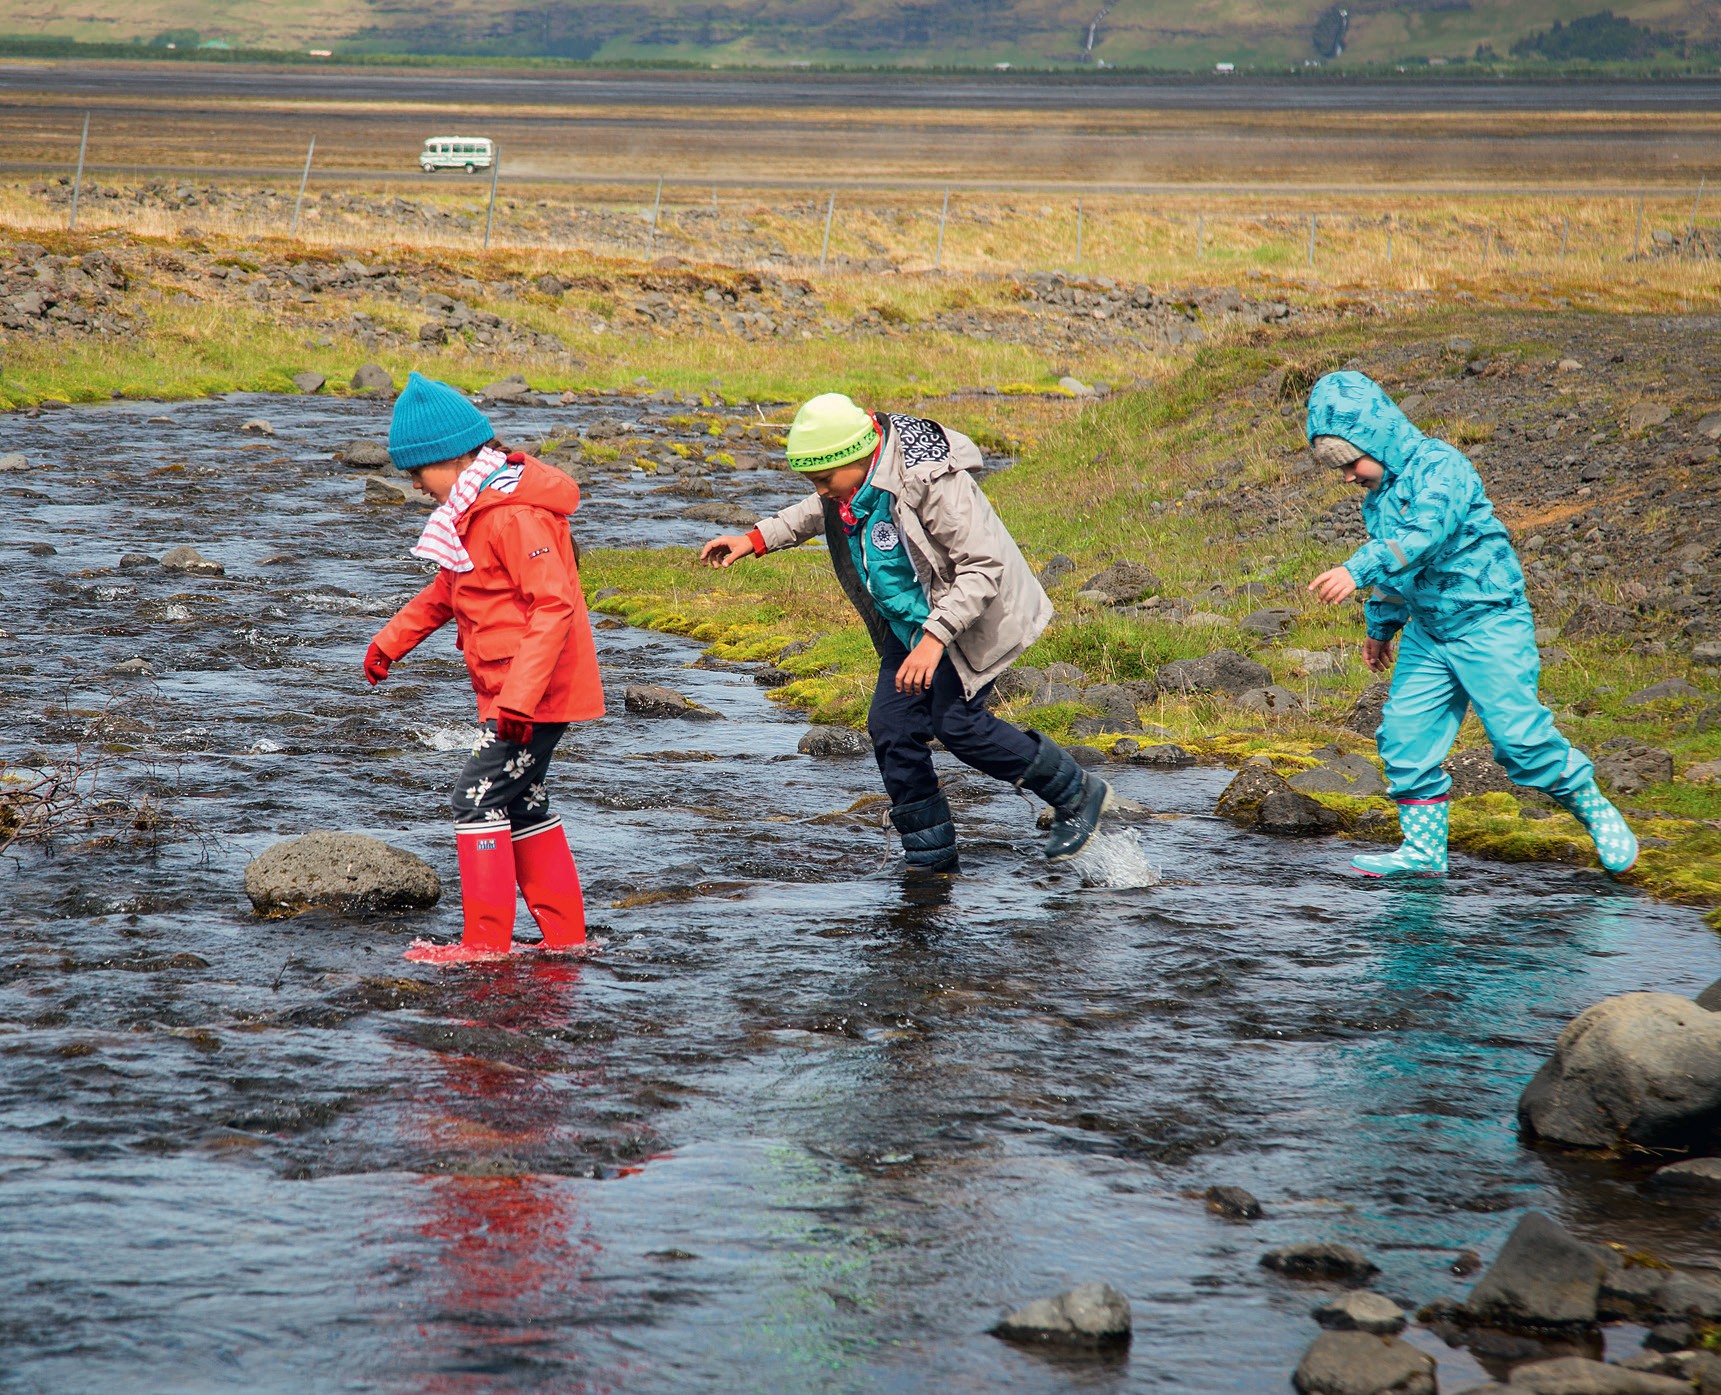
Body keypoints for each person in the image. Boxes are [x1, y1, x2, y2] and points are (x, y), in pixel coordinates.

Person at [700, 392, 1110, 872]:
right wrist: (754, 539)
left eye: (825, 479)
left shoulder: (929, 479)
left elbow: (982, 568)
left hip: (967, 618)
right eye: (814, 481)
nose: (822, 490)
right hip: (911, 623)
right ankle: (929, 861)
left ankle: (1077, 793)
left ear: (858, 456)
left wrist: (934, 641)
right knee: (891, 728)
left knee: (957, 725)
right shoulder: (855, 481)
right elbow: (817, 509)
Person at [1303, 369, 1636, 879]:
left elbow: (1424, 536)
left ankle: (1595, 809)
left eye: (1350, 462)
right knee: (1405, 737)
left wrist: (1355, 569)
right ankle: (1423, 851)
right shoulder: (1378, 500)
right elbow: (1397, 572)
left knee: (1519, 742)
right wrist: (1381, 626)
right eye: (1339, 468)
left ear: (1378, 438)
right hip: (1429, 633)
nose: (1348, 476)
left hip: (1489, 622)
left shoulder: (1441, 467)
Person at [364, 372, 604, 960]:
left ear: (451, 457)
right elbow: (450, 590)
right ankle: (566, 942)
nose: (414, 485)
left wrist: (518, 699)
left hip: (532, 696)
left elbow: (553, 606)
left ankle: (485, 946)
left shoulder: (511, 515)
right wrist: (391, 642)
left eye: (417, 471)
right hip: (519, 694)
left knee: (474, 799)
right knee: (521, 802)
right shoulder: (476, 509)